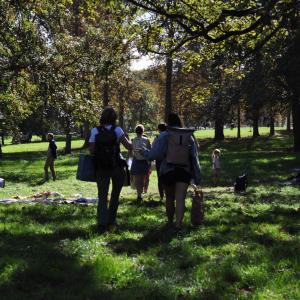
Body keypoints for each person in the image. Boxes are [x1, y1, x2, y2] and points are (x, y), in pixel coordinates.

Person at [143, 113, 201, 230]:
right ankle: (178, 224)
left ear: (168, 122)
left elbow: (156, 154)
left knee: (169, 198)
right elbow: (194, 156)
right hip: (184, 170)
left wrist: (145, 153)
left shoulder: (164, 135)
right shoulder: (188, 136)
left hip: (167, 170)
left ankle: (170, 222)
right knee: (180, 199)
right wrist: (197, 175)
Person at [89, 107, 132, 231]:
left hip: (101, 167)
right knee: (115, 195)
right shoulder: (118, 130)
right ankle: (111, 221)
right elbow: (129, 146)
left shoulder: (95, 131)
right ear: (114, 119)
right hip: (116, 166)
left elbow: (91, 150)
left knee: (102, 196)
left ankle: (102, 222)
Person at [130, 124, 151, 202]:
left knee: (138, 179)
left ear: (136, 131)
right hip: (145, 161)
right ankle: (143, 191)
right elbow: (150, 151)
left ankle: (139, 195)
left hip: (136, 161)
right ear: (143, 131)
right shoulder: (147, 140)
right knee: (144, 178)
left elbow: (131, 151)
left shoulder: (133, 140)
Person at [153, 123, 167, 201]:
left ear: (159, 129)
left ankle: (162, 196)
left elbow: (153, 148)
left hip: (159, 160)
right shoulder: (169, 137)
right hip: (168, 159)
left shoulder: (157, 137)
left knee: (160, 178)